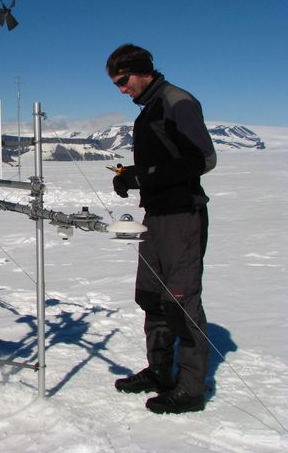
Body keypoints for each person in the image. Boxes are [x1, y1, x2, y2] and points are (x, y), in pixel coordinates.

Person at [106, 44, 217, 414]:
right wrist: (132, 178)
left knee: (181, 302)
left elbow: (202, 159)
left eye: (123, 81)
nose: (121, 90)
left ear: (141, 71)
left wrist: (144, 176)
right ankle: (160, 373)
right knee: (151, 297)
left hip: (182, 217)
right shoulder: (148, 110)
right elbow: (161, 164)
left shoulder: (176, 101)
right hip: (155, 218)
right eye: (116, 84)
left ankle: (190, 389)